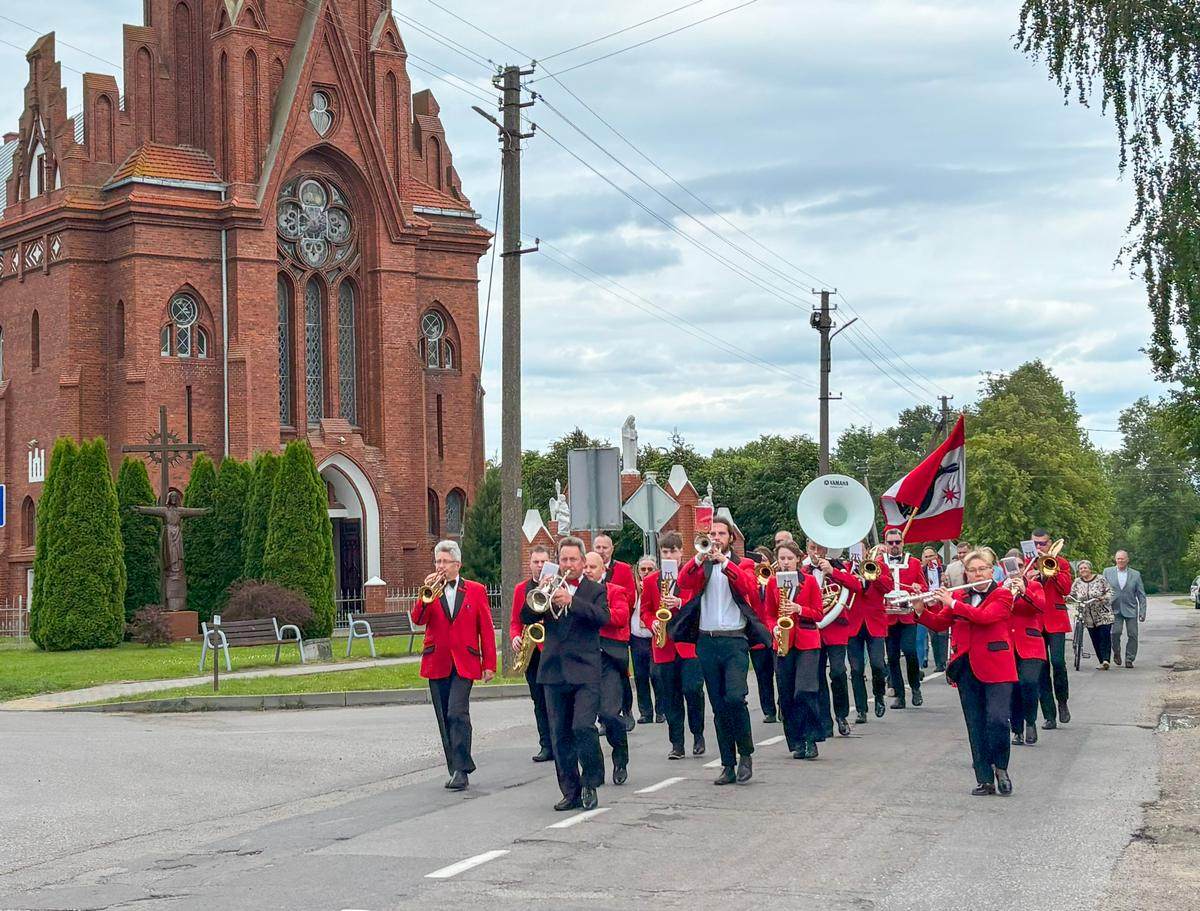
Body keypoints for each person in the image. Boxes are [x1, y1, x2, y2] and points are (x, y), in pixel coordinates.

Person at [671, 517, 772, 785]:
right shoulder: (701, 566)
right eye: (712, 533)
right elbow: (683, 582)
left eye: (721, 533)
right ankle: (728, 763)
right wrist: (697, 559)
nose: (715, 537)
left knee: (735, 698)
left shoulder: (742, 564)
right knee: (718, 706)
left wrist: (725, 563)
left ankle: (746, 754)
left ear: (731, 538)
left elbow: (749, 587)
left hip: (734, 640)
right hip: (707, 640)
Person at [914, 549, 1016, 796]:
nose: (977, 573)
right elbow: (940, 623)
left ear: (992, 571)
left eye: (982, 569)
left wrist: (953, 603)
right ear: (966, 574)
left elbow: (984, 617)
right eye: (972, 570)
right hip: (967, 668)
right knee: (975, 723)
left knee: (998, 720)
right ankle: (984, 779)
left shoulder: (1002, 595)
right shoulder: (961, 595)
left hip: (998, 667)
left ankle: (1001, 767)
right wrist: (920, 609)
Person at [520, 536, 610, 811]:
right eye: (563, 559)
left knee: (582, 727)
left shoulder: (594, 590)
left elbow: (602, 618)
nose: (568, 564)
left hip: (585, 670)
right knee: (559, 735)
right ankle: (570, 791)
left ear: (583, 562)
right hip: (554, 671)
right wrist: (540, 592)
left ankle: (591, 781)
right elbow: (526, 617)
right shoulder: (547, 587)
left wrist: (571, 601)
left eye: (573, 560)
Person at [411, 540, 497, 792]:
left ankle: (462, 766)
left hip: (464, 661)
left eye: (445, 562)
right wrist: (425, 596)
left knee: (457, 713)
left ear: (457, 564)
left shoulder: (476, 590)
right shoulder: (430, 590)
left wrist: (489, 663)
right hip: (436, 660)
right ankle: (455, 768)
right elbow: (418, 620)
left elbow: (486, 629)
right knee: (443, 717)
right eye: (437, 561)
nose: (440, 566)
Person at [642, 531, 707, 759]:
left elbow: (699, 604)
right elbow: (646, 611)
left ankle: (698, 734)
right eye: (665, 551)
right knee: (670, 696)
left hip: (688, 643)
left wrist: (680, 601)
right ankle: (677, 743)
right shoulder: (651, 581)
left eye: (673, 551)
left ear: (681, 552)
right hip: (664, 645)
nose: (669, 555)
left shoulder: (691, 576)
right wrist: (652, 624)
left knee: (692, 689)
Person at [768, 541, 828, 758]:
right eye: (782, 559)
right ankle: (796, 741)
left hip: (807, 640)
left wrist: (799, 608)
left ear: (798, 560)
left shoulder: (810, 581)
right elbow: (768, 614)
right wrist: (774, 627)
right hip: (784, 641)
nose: (785, 563)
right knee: (786, 693)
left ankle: (812, 737)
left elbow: (819, 613)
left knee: (805, 689)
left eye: (789, 559)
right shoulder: (773, 582)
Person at [583, 551, 632, 785]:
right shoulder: (575, 593)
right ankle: (595, 769)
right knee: (583, 722)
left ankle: (620, 756)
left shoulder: (615, 591)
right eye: (586, 567)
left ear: (603, 569)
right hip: (582, 661)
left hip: (608, 659)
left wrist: (593, 612)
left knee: (610, 714)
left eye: (593, 567)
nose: (588, 571)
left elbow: (621, 617)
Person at [806, 540, 858, 738]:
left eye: (820, 548)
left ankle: (842, 715)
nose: (817, 552)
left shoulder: (839, 567)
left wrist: (833, 572)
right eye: (813, 548)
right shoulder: (803, 570)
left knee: (838, 672)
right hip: (814, 629)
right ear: (807, 549)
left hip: (836, 627)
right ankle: (824, 720)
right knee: (817, 676)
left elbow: (856, 586)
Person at [509, 545, 554, 762]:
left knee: (555, 700)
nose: (540, 566)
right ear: (530, 563)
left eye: (544, 562)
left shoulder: (558, 586)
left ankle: (559, 743)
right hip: (533, 651)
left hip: (553, 650)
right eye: (536, 562)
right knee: (539, 701)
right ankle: (546, 745)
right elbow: (515, 621)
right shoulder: (521, 589)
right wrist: (515, 637)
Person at [1030, 529, 1074, 729]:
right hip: (1035, 621)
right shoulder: (1028, 563)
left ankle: (1062, 701)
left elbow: (1066, 589)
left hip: (1055, 618)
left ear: (1050, 543)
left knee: (1058, 662)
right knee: (1041, 669)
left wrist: (1051, 570)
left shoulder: (1061, 562)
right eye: (1036, 544)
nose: (1039, 547)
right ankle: (1049, 715)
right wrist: (1030, 576)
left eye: (1043, 543)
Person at [594, 533, 638, 729]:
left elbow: (629, 598)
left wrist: (608, 609)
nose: (601, 551)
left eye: (605, 547)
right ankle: (605, 717)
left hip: (617, 632)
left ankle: (626, 710)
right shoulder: (589, 571)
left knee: (621, 672)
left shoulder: (623, 569)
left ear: (612, 549)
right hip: (596, 634)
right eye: (598, 547)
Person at [881, 527, 928, 708]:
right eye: (890, 543)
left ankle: (915, 688)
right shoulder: (879, 562)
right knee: (892, 657)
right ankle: (899, 695)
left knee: (910, 652)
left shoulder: (914, 563)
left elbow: (924, 587)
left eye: (897, 542)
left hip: (907, 617)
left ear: (903, 543)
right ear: (886, 544)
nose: (894, 546)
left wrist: (918, 588)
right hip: (888, 617)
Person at [847, 541, 891, 722]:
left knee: (878, 664)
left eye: (860, 549)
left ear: (866, 551)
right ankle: (861, 709)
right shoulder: (846, 568)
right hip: (853, 624)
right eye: (853, 550)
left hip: (875, 622)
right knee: (856, 669)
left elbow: (888, 587)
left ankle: (879, 695)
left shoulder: (879, 566)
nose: (856, 553)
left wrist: (874, 576)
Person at [1007, 571, 1047, 746]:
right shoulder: (1001, 588)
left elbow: (1040, 606)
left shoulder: (1035, 586)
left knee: (1029, 683)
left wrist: (1024, 591)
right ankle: (1017, 730)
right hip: (1007, 645)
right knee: (1013, 688)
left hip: (1031, 644)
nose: (1015, 571)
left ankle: (1030, 721)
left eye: (1019, 566)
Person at [748, 551, 781, 724]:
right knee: (762, 674)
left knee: (780, 672)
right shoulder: (753, 584)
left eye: (765, 561)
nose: (762, 566)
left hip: (777, 633)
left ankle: (783, 706)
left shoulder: (777, 582)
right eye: (758, 564)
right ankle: (769, 710)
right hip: (758, 635)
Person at [630, 556, 663, 723]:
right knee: (640, 676)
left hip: (654, 636)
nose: (646, 573)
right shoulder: (633, 588)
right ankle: (645, 712)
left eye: (650, 569)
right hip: (637, 638)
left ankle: (661, 710)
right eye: (643, 569)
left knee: (656, 674)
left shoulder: (657, 585)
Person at [1104, 551, 1147, 668]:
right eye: (1118, 559)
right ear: (1115, 560)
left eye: (1123, 559)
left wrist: (1142, 612)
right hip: (1114, 608)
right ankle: (1116, 653)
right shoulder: (1107, 572)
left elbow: (1141, 594)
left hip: (1131, 608)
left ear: (1127, 560)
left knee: (1133, 635)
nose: (1120, 561)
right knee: (1115, 633)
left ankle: (1129, 658)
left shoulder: (1135, 574)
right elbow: (1102, 589)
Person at [1072, 560, 1115, 669]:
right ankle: (1101, 661)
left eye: (1085, 568)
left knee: (1104, 636)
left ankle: (1106, 660)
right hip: (1087, 615)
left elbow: (1110, 592)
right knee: (1094, 638)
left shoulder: (1100, 579)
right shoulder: (1077, 581)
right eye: (1081, 568)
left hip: (1103, 613)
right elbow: (1072, 593)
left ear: (1090, 568)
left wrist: (1103, 598)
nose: (1083, 570)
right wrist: (1066, 597)